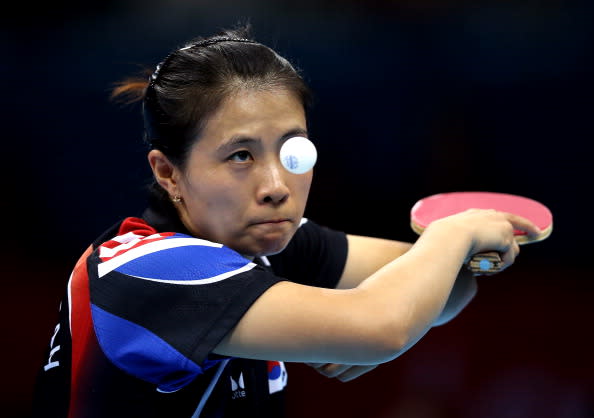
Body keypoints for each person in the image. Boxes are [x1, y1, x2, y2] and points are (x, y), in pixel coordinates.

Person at [31, 24, 540, 418]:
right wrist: (456, 232)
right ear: (169, 173)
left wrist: (414, 303)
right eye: (240, 156)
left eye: (292, 151)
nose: (276, 185)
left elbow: (446, 287)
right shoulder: (151, 270)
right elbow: (384, 322)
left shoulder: (272, 243)